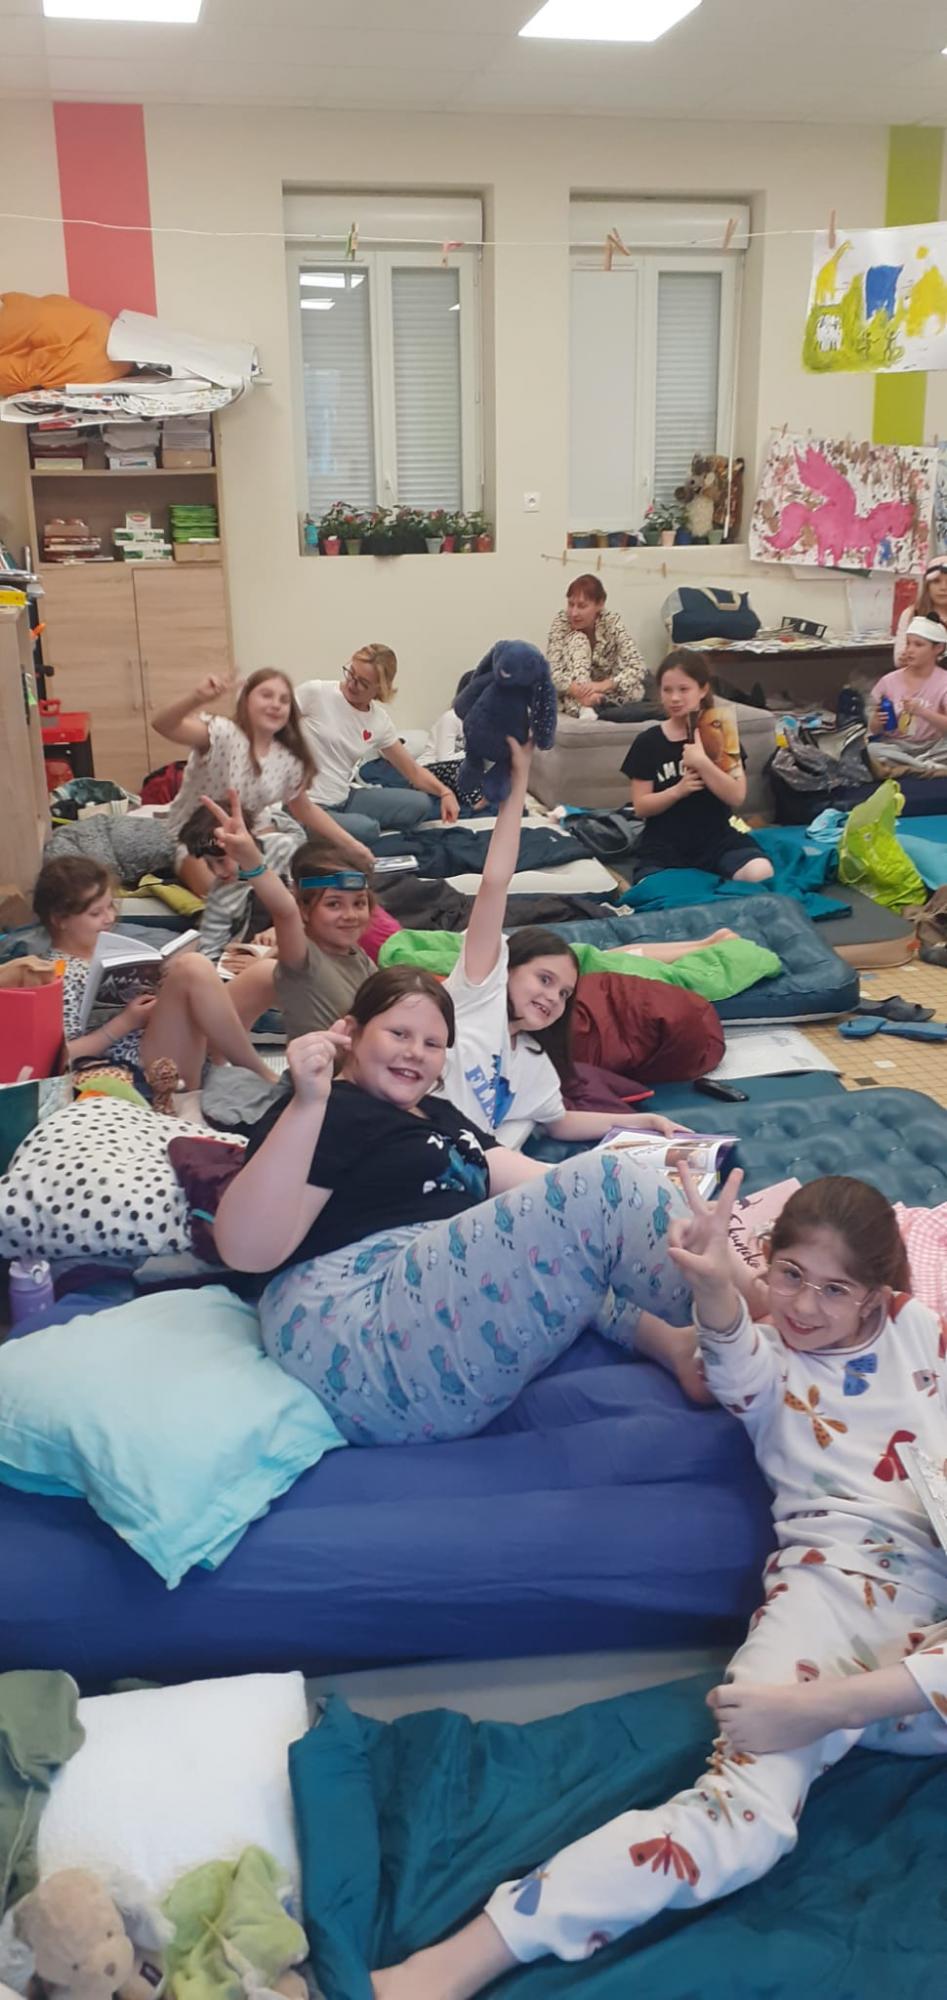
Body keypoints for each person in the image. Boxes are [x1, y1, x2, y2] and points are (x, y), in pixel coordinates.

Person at [372, 1171, 947, 1997]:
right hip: (838, 1589)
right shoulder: (770, 1362)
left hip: (921, 1626)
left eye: (834, 1289)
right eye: (788, 1275)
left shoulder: (917, 1330)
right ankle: (444, 1969)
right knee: (743, 1826)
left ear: (876, 1296)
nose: (803, 1305)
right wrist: (714, 1282)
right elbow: (731, 1355)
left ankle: (842, 1707)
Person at [214, 969, 707, 1433]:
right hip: (356, 1329)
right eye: (398, 1034)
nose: (415, 1053)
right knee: (605, 1180)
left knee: (592, 1205)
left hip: (432, 1313)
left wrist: (647, 1189)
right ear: (350, 1032)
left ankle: (678, 1345)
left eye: (433, 1044)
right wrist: (308, 1101)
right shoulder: (327, 1108)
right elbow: (247, 1250)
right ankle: (738, 1297)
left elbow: (539, 1185)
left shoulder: (439, 1113)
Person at [436, 735, 692, 1152]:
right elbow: (495, 883)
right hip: (428, 1148)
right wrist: (519, 782)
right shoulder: (478, 992)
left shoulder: (534, 1059)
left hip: (473, 1165)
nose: (553, 998)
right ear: (507, 969)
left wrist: (642, 1121)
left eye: (564, 993)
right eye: (544, 979)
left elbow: (559, 1122)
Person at [152, 669, 374, 956]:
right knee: (224, 892)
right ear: (246, 700)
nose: (275, 704)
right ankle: (237, 950)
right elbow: (163, 725)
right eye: (266, 695)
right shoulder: (222, 734)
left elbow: (304, 808)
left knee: (299, 878)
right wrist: (197, 697)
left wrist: (354, 846)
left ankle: (277, 939)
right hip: (199, 839)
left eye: (283, 699)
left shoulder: (288, 759)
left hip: (252, 834)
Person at [32, 855, 276, 1094]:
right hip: (143, 1067)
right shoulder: (55, 975)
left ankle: (223, 1065)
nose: (109, 918)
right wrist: (125, 1022)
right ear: (60, 920)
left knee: (264, 973)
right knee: (192, 967)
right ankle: (257, 1072)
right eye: (95, 914)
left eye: (110, 906)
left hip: (175, 1040)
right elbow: (60, 1057)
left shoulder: (115, 949)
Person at [196, 793, 377, 1040]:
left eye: (359, 903)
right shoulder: (303, 960)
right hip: (323, 1066)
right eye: (334, 904)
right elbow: (284, 909)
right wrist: (250, 860)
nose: (350, 915)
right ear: (304, 909)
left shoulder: (358, 957)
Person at [623, 650, 774, 883]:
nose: (675, 698)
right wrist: (678, 790)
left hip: (717, 840)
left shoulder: (719, 732)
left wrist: (702, 763)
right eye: (667, 690)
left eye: (684, 689)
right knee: (655, 887)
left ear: (702, 690)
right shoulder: (648, 741)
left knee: (761, 872)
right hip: (664, 845)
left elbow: (736, 796)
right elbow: (641, 807)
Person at [295, 646, 460, 844]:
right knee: (368, 830)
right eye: (351, 673)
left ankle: (340, 823)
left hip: (344, 797)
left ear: (380, 689)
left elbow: (413, 771)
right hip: (306, 805)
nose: (352, 684)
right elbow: (271, 725)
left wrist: (445, 792)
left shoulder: (379, 721)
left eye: (363, 683)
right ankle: (312, 827)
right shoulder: (316, 693)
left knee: (421, 804)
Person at [546, 574, 647, 718]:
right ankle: (585, 706)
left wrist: (603, 685)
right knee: (577, 638)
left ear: (600, 604)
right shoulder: (562, 621)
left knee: (636, 690)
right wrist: (578, 690)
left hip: (603, 688)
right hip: (572, 689)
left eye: (582, 606)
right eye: (570, 604)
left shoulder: (611, 621)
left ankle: (597, 703)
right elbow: (553, 672)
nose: (574, 613)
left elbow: (638, 666)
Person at [871, 614, 947, 744]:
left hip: (933, 745)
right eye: (908, 643)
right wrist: (876, 723)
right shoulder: (888, 681)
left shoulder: (943, 682)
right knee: (875, 749)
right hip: (894, 744)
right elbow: (873, 729)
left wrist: (922, 712)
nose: (910, 650)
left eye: (918, 645)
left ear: (938, 648)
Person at [892, 555, 947, 664]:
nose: (943, 588)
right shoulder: (911, 614)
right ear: (927, 586)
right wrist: (906, 658)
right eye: (936, 581)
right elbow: (899, 660)